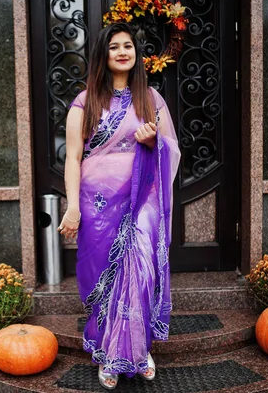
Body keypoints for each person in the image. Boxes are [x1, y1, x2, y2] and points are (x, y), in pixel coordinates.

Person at [57, 22, 181, 390]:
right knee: (105, 279)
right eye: (114, 47)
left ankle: (138, 351)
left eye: (128, 45)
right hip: (95, 203)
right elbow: (73, 158)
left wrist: (153, 141)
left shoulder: (151, 99)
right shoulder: (85, 102)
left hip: (141, 198)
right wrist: (72, 207)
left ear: (136, 54)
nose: (123, 51)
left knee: (140, 271)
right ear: (103, 54)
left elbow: (171, 150)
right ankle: (110, 354)